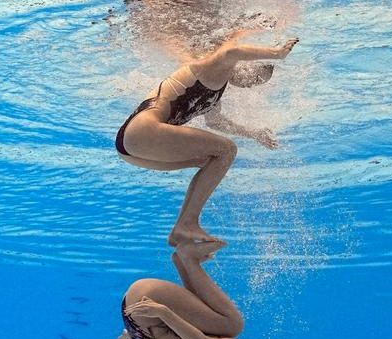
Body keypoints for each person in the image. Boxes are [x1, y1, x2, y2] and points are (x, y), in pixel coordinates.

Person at [115, 34, 299, 246]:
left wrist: (254, 133)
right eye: (256, 77)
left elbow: (215, 123)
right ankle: (187, 224)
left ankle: (182, 229)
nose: (251, 85)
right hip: (143, 130)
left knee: (210, 161)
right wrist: (277, 53)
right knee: (227, 150)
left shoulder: (216, 88)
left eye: (257, 84)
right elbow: (231, 52)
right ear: (247, 66)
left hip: (130, 146)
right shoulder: (210, 67)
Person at [119, 241, 285, 339]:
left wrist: (163, 312)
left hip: (145, 301)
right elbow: (191, 324)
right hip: (137, 324)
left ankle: (188, 259)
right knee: (212, 329)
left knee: (233, 326)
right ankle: (183, 262)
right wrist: (135, 336)